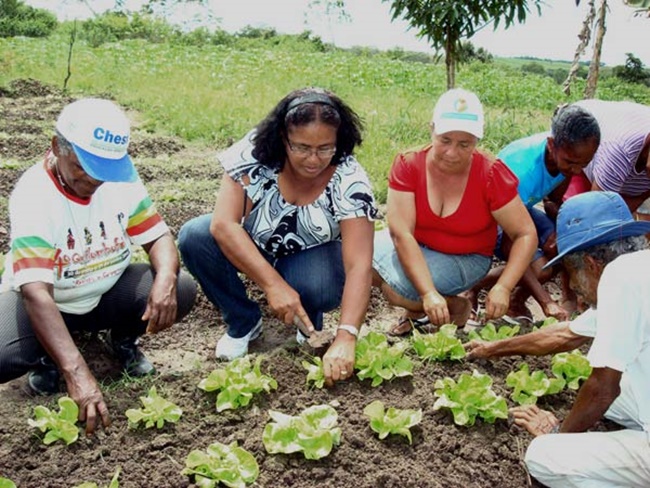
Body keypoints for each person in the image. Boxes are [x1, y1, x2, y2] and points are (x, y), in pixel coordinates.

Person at [0, 98, 197, 435]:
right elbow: (36, 293)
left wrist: (164, 278)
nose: (93, 178)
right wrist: (76, 371)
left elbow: (158, 237)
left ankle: (122, 340)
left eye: (103, 169)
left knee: (180, 287)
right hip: (48, 303)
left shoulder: (120, 178)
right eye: (82, 166)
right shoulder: (34, 196)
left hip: (104, 292)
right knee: (3, 355)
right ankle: (51, 356)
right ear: (57, 147)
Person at [178, 87, 377, 386]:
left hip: (312, 256)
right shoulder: (257, 152)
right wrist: (273, 285)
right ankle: (243, 321)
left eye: (325, 148)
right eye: (301, 147)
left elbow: (359, 265)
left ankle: (309, 321)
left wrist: (347, 336)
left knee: (318, 283)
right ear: (283, 138)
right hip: (257, 239)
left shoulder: (350, 179)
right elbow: (223, 224)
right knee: (195, 236)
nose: (313, 159)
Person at [465, 191, 650, 487]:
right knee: (626, 391)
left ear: (590, 264)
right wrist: (492, 348)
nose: (574, 286)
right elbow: (565, 334)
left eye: (571, 273)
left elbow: (603, 388)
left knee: (542, 456)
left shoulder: (619, 278)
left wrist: (559, 439)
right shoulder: (639, 270)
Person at [372, 88, 537, 336]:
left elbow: (525, 233)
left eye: (464, 144)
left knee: (397, 290)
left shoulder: (491, 174)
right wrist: (427, 293)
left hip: (465, 258)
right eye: (445, 140)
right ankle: (426, 307)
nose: (452, 153)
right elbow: (401, 233)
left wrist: (503, 287)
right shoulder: (408, 164)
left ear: (477, 141)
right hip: (416, 245)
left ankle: (454, 307)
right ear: (432, 129)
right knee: (359, 254)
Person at [466, 104, 600, 321]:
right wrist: (547, 302)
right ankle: (473, 287)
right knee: (540, 269)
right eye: (571, 163)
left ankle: (516, 303)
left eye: (584, 164)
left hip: (523, 208)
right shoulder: (521, 171)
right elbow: (515, 240)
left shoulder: (566, 157)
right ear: (551, 145)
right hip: (492, 216)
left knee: (564, 247)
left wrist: (560, 233)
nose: (577, 170)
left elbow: (553, 201)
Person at [564, 99, 650, 214]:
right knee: (573, 217)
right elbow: (595, 213)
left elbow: (626, 209)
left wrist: (640, 198)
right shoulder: (620, 150)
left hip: (622, 166)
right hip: (578, 142)